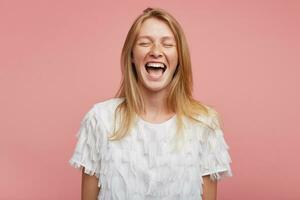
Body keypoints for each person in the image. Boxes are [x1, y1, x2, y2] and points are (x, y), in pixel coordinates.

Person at [69, 7, 232, 200]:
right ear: (131, 55)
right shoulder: (100, 120)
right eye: (145, 43)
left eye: (167, 44)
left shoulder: (204, 123)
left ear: (179, 57)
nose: (156, 51)